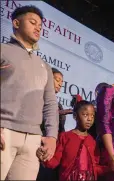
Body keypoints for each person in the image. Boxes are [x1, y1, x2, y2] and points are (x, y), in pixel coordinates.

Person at [0, 5, 58, 180]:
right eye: (33, 22)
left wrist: (52, 137)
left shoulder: (44, 66)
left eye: (40, 26)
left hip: (33, 140)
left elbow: (50, 103)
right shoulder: (2, 50)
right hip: (4, 131)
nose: (38, 28)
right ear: (16, 23)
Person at [37, 100, 110, 180]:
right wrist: (44, 157)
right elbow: (55, 161)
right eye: (85, 115)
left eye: (92, 116)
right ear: (75, 116)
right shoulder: (65, 137)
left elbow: (95, 167)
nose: (89, 119)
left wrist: (110, 168)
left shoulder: (93, 142)